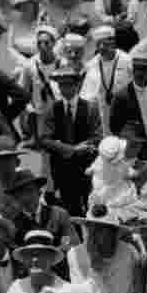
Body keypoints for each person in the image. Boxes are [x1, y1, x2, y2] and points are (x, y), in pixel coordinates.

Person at [41, 64, 101, 217]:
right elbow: (44, 139)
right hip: (62, 169)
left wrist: (85, 147)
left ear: (77, 85)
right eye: (61, 85)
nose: (64, 89)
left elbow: (98, 136)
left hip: (86, 167)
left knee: (91, 207)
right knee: (71, 209)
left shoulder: (90, 107)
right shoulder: (52, 109)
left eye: (68, 85)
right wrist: (72, 149)